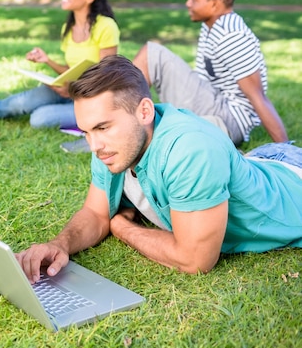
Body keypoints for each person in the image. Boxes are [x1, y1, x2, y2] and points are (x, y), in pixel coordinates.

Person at [16, 55, 302, 281]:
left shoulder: (191, 149)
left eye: (103, 127)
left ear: (144, 111)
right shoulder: (110, 145)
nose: (94, 145)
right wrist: (59, 245)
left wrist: (122, 227)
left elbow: (195, 260)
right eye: (87, 131)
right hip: (260, 159)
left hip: (292, 176)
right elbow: (95, 212)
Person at [132, 0, 288, 146]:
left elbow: (258, 97)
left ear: (214, 4)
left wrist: (286, 151)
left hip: (228, 120)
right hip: (214, 105)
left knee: (152, 54)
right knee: (152, 57)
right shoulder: (212, 25)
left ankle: (119, 121)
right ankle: (119, 123)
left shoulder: (231, 37)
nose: (188, 3)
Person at [0, 0, 120, 129]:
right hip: (69, 91)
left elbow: (107, 76)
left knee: (39, 118)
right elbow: (71, 70)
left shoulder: (106, 26)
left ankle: (79, 116)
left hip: (92, 100)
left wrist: (72, 89)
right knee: (15, 104)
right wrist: (47, 61)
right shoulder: (68, 27)